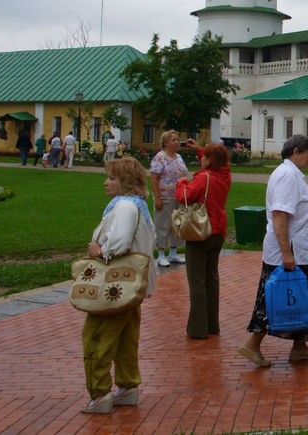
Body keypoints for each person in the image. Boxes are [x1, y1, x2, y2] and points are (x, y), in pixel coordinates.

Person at [239, 134, 308, 367]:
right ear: (295, 152)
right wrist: (286, 253)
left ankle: (300, 347)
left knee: (302, 300)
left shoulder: (290, 174)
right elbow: (279, 214)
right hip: (293, 251)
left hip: (301, 250)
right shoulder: (288, 176)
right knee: (279, 298)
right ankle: (252, 344)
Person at [79, 156, 157, 414]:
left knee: (96, 337)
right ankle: (127, 385)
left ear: (125, 182)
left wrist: (99, 250)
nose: (106, 182)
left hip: (114, 287)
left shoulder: (124, 206)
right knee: (126, 337)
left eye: (111, 178)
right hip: (130, 286)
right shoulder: (136, 205)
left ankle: (100, 392)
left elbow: (120, 243)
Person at [175, 144, 231, 339]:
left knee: (196, 280)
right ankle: (212, 324)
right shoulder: (224, 175)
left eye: (203, 157)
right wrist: (200, 148)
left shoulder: (203, 177)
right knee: (211, 278)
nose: (200, 160)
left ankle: (198, 328)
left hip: (201, 231)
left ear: (209, 160)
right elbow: (213, 158)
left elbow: (184, 197)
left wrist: (181, 182)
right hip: (218, 231)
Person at [149, 130, 190, 267]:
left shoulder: (178, 157)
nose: (177, 142)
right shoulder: (160, 157)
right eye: (173, 140)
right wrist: (158, 197)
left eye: (177, 139)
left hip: (178, 196)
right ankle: (161, 253)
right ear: (166, 142)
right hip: (165, 197)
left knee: (177, 224)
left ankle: (173, 252)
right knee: (163, 224)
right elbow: (154, 177)